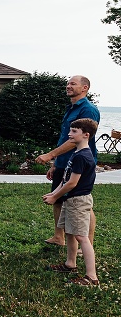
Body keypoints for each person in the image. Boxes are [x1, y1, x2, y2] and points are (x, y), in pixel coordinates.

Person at [35, 75, 100, 248]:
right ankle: (59, 237)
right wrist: (56, 163)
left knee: (81, 203)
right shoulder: (71, 108)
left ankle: (88, 242)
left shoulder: (88, 110)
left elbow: (75, 141)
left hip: (80, 162)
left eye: (73, 83)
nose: (68, 86)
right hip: (64, 162)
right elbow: (66, 136)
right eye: (68, 83)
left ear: (85, 88)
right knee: (58, 200)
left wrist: (49, 155)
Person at [42, 118, 100, 286]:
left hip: (78, 201)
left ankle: (91, 277)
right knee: (69, 232)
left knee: (82, 237)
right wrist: (54, 193)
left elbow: (72, 183)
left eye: (74, 131)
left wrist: (55, 197)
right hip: (70, 200)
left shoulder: (83, 156)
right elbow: (66, 178)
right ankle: (70, 264)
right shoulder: (76, 153)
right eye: (70, 130)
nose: (69, 134)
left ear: (86, 135)